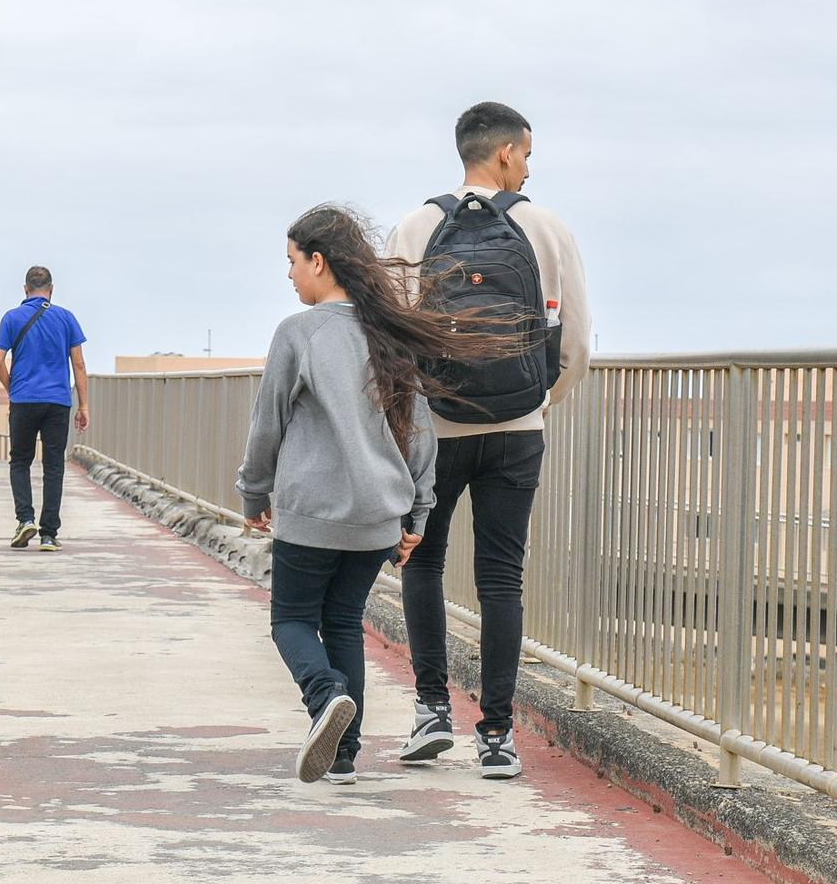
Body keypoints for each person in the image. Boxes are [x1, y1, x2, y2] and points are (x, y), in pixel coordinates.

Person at [237, 205, 520, 788]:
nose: (289, 276)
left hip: (313, 510)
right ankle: (343, 757)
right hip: (378, 518)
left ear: (319, 261)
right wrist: (418, 510)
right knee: (342, 621)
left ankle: (326, 696)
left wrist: (253, 493)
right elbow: (418, 427)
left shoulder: (299, 333)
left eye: (292, 262)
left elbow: (268, 424)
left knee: (291, 619)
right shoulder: (387, 334)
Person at [386, 101, 592, 780]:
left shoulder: (416, 226)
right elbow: (578, 342)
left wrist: (414, 414)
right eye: (528, 155)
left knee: (423, 564)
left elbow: (388, 341)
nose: (528, 167)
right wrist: (535, 400)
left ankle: (430, 712)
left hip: (435, 430)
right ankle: (498, 735)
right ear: (508, 152)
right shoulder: (545, 227)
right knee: (501, 577)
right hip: (516, 429)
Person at [0, 266, 91, 551]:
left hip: (23, 400)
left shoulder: (11, 318)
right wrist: (83, 405)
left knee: (20, 461)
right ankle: (49, 535)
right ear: (51, 289)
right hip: (57, 402)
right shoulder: (66, 318)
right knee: (54, 465)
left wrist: (13, 388)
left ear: (25, 290)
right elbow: (80, 364)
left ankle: (25, 520)